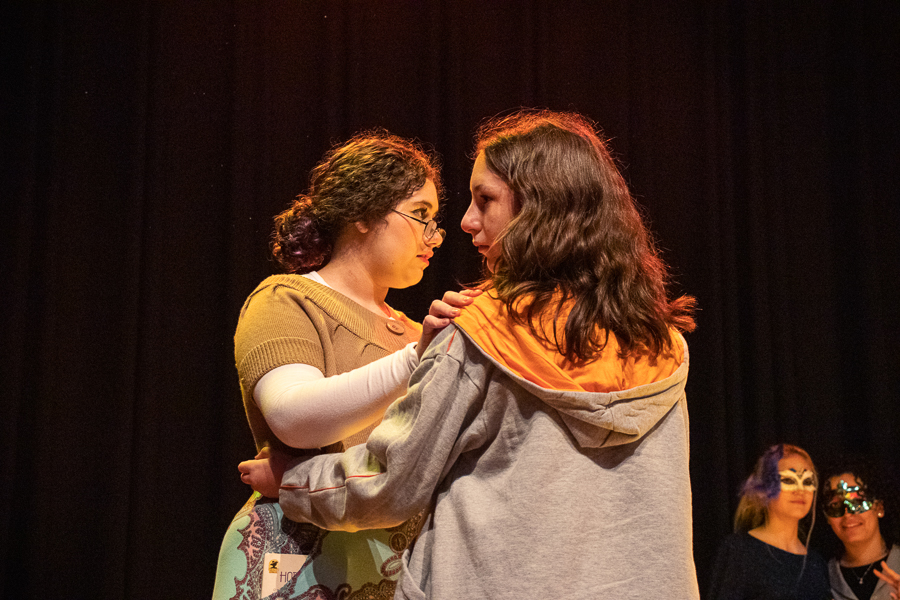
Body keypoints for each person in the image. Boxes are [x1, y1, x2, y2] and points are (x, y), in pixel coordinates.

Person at [239, 109, 700, 599]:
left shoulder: (484, 330)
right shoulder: (661, 344)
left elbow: (391, 482)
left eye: (486, 199)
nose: (464, 222)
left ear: (540, 207)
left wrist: (294, 480)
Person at [212, 131, 472, 600]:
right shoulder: (287, 299)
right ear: (364, 213)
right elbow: (294, 418)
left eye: (435, 221)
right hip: (297, 556)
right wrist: (417, 357)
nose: (433, 236)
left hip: (391, 563)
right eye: (420, 215)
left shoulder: (419, 333)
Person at [707, 443, 832, 600]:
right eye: (789, 480)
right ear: (765, 488)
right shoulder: (739, 552)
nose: (800, 490)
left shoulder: (816, 563)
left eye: (807, 481)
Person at [820, 457, 900, 600]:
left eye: (857, 501)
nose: (847, 513)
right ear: (826, 516)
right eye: (835, 504)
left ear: (879, 507)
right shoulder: (821, 577)